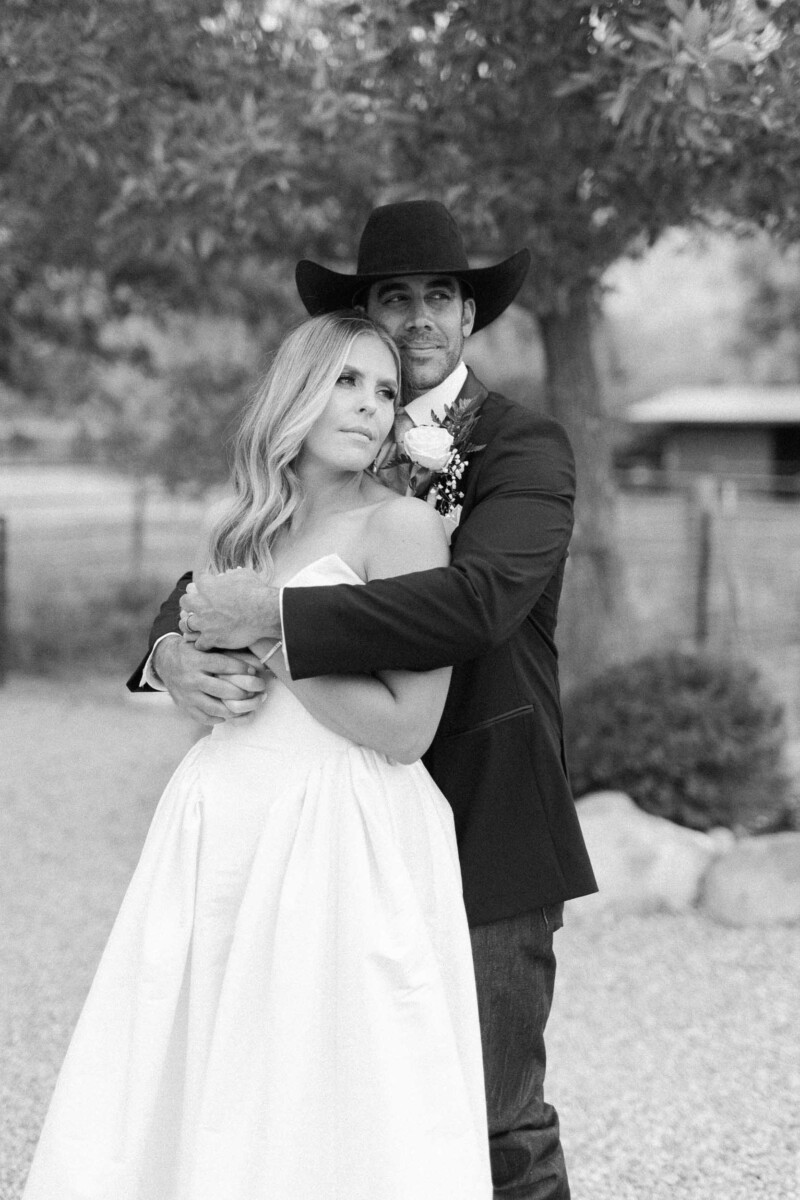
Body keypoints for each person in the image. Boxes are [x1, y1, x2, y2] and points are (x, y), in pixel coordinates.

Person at [129, 200, 598, 1200]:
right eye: (395, 297)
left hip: (479, 811)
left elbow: (474, 605)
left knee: (492, 1121)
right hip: (321, 833)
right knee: (327, 1111)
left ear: (469, 315)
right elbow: (253, 553)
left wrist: (270, 623)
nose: (419, 317)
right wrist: (169, 650)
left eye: (440, 296)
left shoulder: (524, 449)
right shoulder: (336, 441)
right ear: (366, 315)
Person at [24, 311, 493, 1200]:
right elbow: (208, 678)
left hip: (341, 830)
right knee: (197, 1058)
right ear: (297, 392)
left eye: (385, 390)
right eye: (346, 381)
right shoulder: (236, 529)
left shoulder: (401, 528)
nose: (370, 406)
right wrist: (176, 660)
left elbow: (408, 730)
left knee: (325, 1077)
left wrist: (269, 635)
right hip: (220, 815)